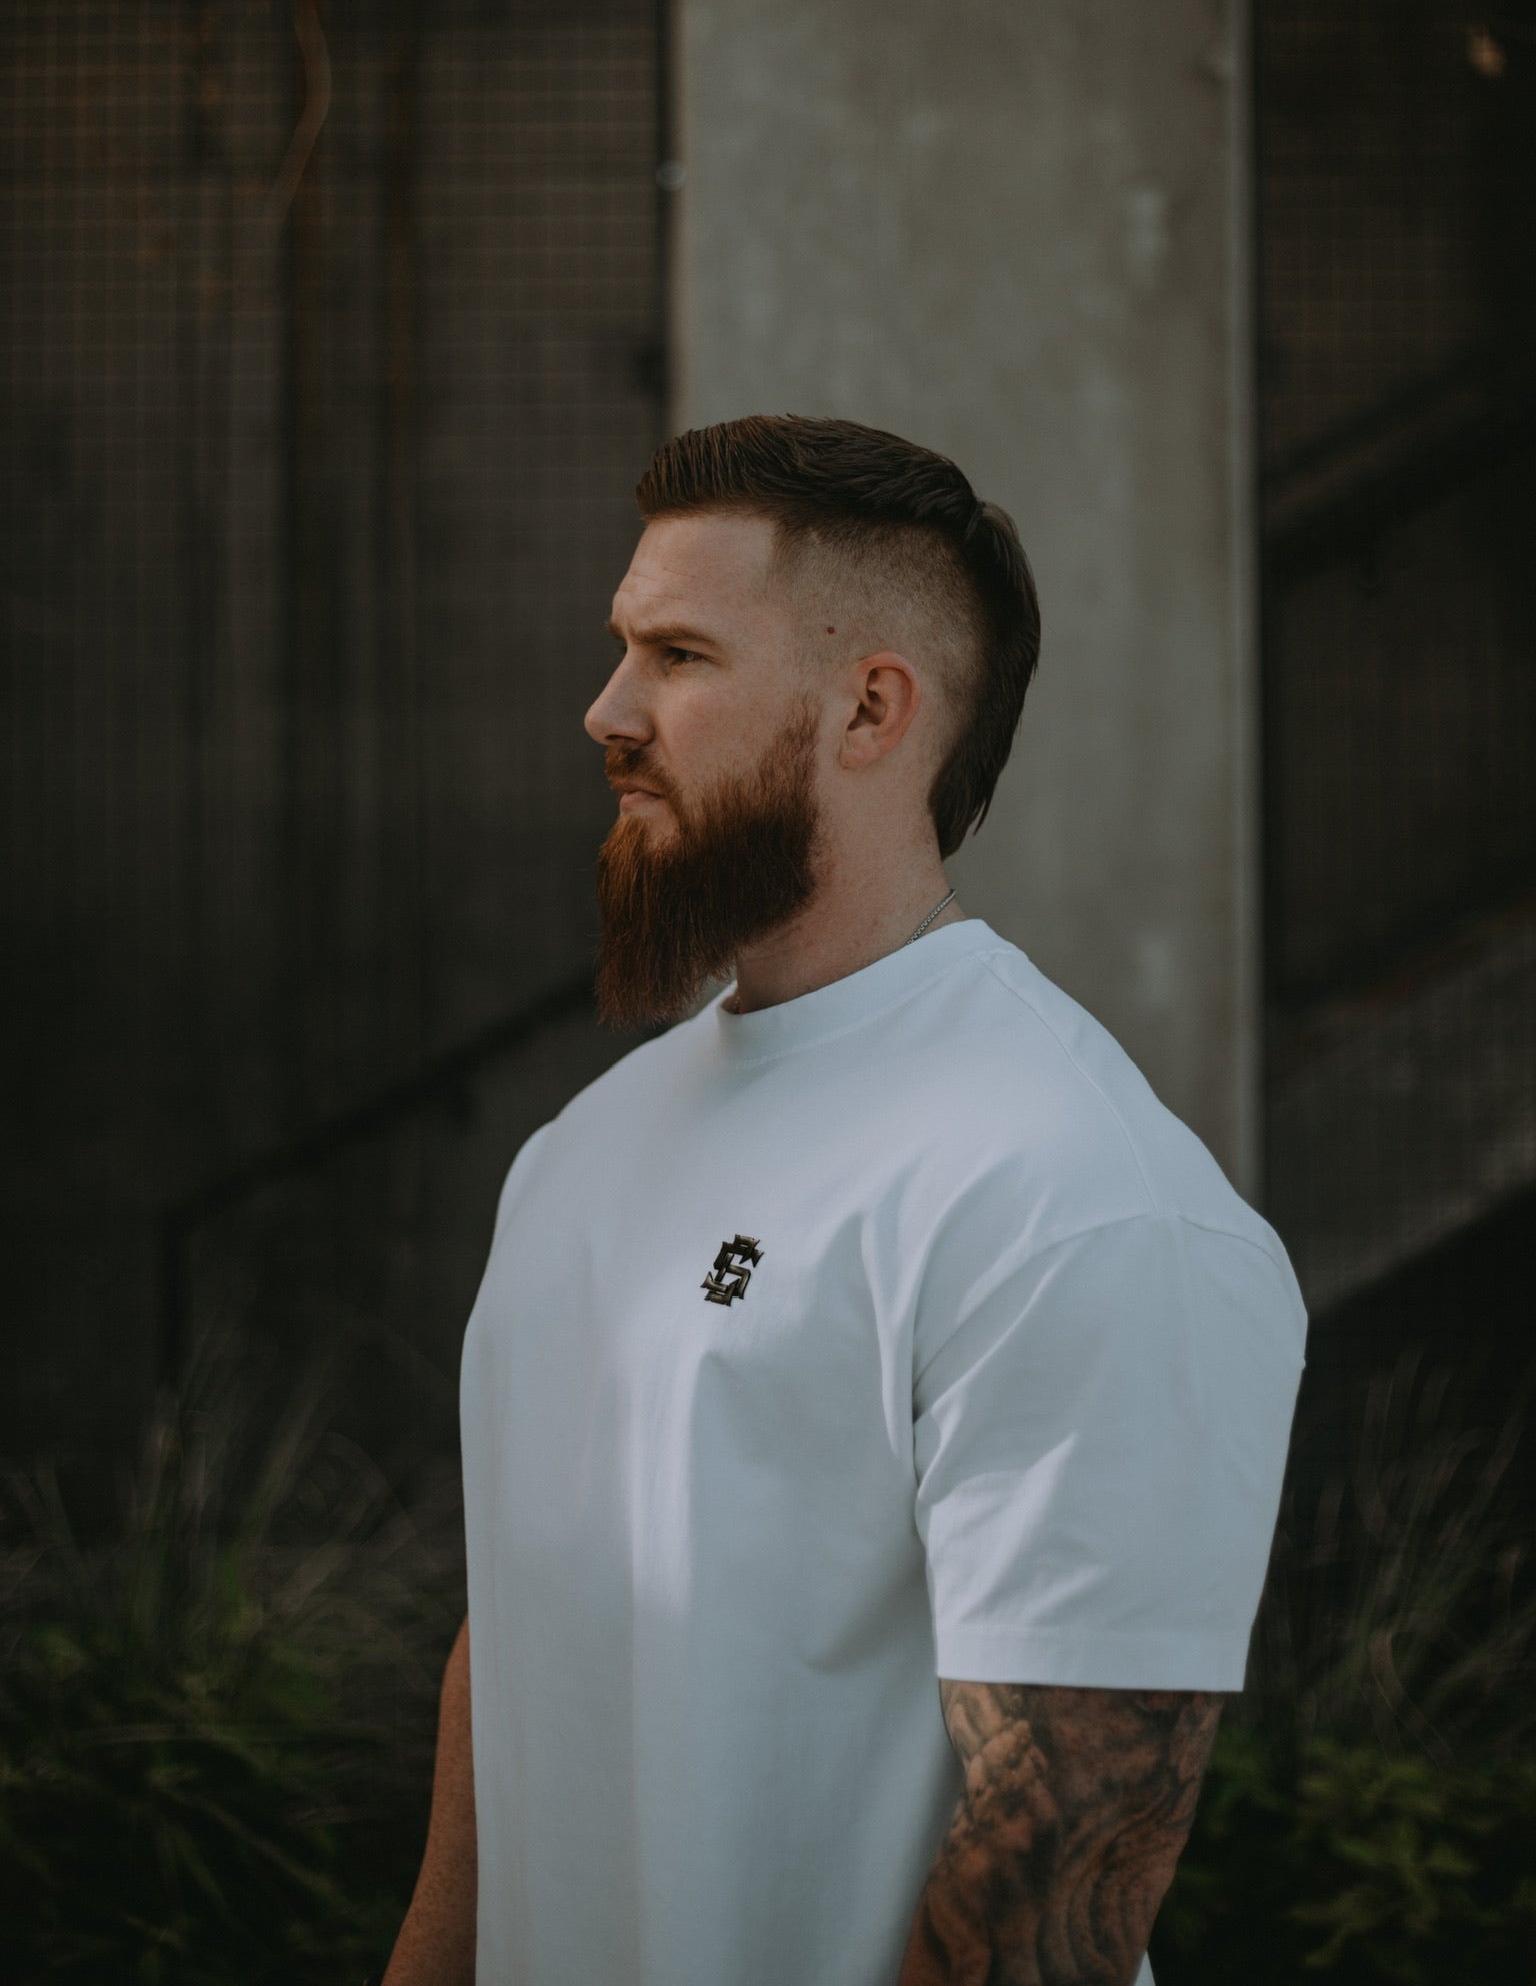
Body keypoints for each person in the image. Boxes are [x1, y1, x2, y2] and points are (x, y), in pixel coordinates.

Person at [382, 415, 1306, 1986]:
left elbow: (1057, 1894)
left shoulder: (1072, 1197)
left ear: (872, 708)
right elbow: (520, 1646)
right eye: (624, 647)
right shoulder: (581, 1150)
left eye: (677, 654)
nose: (605, 710)